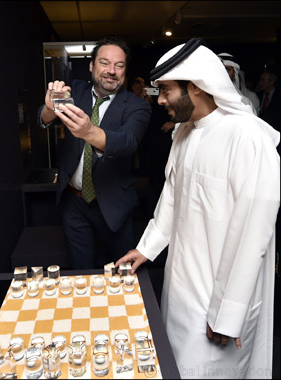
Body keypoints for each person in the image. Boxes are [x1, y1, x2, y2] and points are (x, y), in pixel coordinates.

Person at [115, 38, 280, 379]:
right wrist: (145, 249)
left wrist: (228, 314)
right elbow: (172, 200)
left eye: (166, 91)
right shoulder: (183, 133)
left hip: (220, 301)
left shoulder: (248, 138)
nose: (159, 100)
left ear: (197, 87)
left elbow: (254, 233)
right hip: (180, 287)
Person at [37, 37, 151, 269]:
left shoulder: (137, 105)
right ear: (91, 66)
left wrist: (89, 131)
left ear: (125, 71)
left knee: (121, 270)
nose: (111, 71)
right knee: (81, 269)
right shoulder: (76, 90)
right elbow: (44, 118)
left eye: (119, 66)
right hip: (74, 202)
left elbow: (127, 142)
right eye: (104, 63)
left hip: (113, 203)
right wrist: (50, 108)